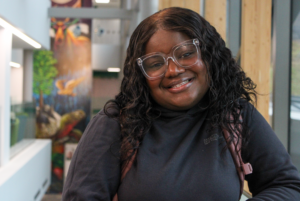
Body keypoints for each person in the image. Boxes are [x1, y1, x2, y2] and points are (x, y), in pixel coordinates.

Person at [62, 7, 300, 201]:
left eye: (186, 53)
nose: (174, 70)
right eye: (155, 63)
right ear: (141, 75)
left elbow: (287, 186)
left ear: (209, 55)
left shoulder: (235, 115)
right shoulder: (116, 123)